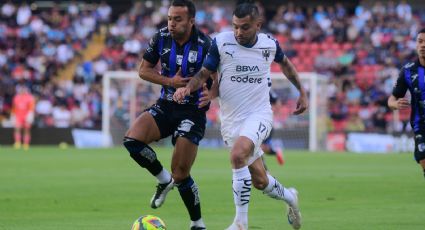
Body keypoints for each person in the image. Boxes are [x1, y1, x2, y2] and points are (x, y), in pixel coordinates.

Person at [174, 2, 307, 229]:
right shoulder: (221, 42)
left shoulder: (269, 45)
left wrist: (302, 92)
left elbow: (287, 66)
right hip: (231, 121)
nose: (238, 32)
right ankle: (291, 198)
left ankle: (240, 223)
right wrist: (189, 87)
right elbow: (205, 72)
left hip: (259, 115)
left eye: (244, 27)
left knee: (237, 156)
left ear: (258, 25)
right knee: (260, 181)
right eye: (235, 26)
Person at [122, 1, 211, 229]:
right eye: (170, 18)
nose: (171, 23)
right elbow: (143, 70)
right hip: (166, 105)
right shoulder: (160, 37)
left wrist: (213, 94)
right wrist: (169, 81)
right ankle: (163, 180)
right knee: (132, 141)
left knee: (180, 174)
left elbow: (218, 75)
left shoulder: (205, 44)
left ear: (191, 21)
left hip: (193, 111)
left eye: (178, 19)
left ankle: (197, 223)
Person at [388, 28, 425, 178]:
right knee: (423, 160)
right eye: (420, 41)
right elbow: (391, 100)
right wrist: (395, 105)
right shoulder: (408, 71)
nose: (423, 45)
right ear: (416, 45)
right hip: (421, 125)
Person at [261, 90, 285, 167]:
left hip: (266, 124)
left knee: (259, 147)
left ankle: (262, 168)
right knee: (264, 148)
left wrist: (272, 114)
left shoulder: (267, 91)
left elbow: (277, 102)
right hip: (257, 123)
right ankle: (276, 152)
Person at [11, 85, 35, 150]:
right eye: (21, 89)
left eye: (23, 89)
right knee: (17, 128)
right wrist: (13, 115)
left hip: (26, 116)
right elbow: (14, 107)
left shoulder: (30, 97)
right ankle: (17, 142)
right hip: (18, 116)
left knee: (26, 130)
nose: (22, 91)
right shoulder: (16, 97)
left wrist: (30, 115)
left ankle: (26, 143)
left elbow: (31, 107)